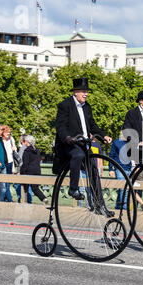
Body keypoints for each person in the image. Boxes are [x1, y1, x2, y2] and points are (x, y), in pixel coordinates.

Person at [54, 77, 113, 217]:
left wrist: (103, 135)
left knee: (93, 171)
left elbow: (92, 125)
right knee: (78, 155)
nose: (86, 94)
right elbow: (60, 126)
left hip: (83, 144)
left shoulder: (87, 107)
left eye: (87, 91)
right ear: (75, 92)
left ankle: (100, 205)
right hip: (68, 145)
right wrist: (68, 138)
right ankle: (73, 188)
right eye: (83, 91)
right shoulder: (65, 105)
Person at [20, 135, 48, 205]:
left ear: (27, 142)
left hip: (29, 172)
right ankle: (44, 198)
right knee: (35, 188)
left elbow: (25, 164)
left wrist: (21, 172)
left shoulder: (26, 151)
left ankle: (24, 202)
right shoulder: (37, 150)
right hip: (37, 171)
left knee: (24, 186)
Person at [108, 132, 132, 210]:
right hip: (119, 168)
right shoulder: (116, 142)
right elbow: (111, 156)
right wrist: (110, 169)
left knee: (123, 189)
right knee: (123, 189)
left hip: (129, 168)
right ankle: (124, 209)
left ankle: (118, 206)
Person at [0, 125, 17, 202]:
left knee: (7, 183)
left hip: (10, 162)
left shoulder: (11, 139)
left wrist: (14, 149)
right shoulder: (0, 140)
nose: (8, 134)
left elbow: (14, 152)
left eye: (9, 133)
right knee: (4, 183)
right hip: (3, 163)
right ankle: (9, 199)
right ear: (3, 132)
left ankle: (4, 199)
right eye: (7, 132)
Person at [14, 134, 32, 203]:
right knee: (28, 186)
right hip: (30, 170)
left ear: (22, 141)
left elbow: (20, 161)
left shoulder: (22, 148)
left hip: (22, 170)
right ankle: (29, 201)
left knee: (17, 185)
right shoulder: (32, 148)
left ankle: (20, 199)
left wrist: (19, 171)